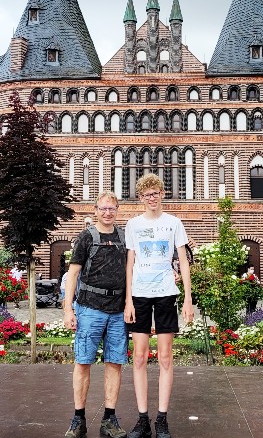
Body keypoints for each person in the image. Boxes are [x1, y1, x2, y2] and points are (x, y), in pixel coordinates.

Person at [125, 174, 193, 438]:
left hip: (166, 293)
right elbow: (129, 263)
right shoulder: (133, 225)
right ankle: (143, 418)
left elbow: (184, 261)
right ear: (140, 198)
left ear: (163, 193)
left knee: (165, 357)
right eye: (146, 195)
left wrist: (187, 298)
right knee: (139, 357)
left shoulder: (174, 223)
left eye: (155, 193)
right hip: (140, 295)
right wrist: (128, 300)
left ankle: (161, 418)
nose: (151, 198)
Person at [62, 191, 128, 438]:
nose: (107, 212)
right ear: (96, 210)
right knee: (83, 362)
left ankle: (109, 418)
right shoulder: (86, 237)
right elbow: (73, 274)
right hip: (89, 309)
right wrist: (68, 309)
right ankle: (78, 419)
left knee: (114, 363)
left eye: (112, 208)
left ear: (117, 210)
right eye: (103, 208)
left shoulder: (124, 237)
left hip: (117, 310)